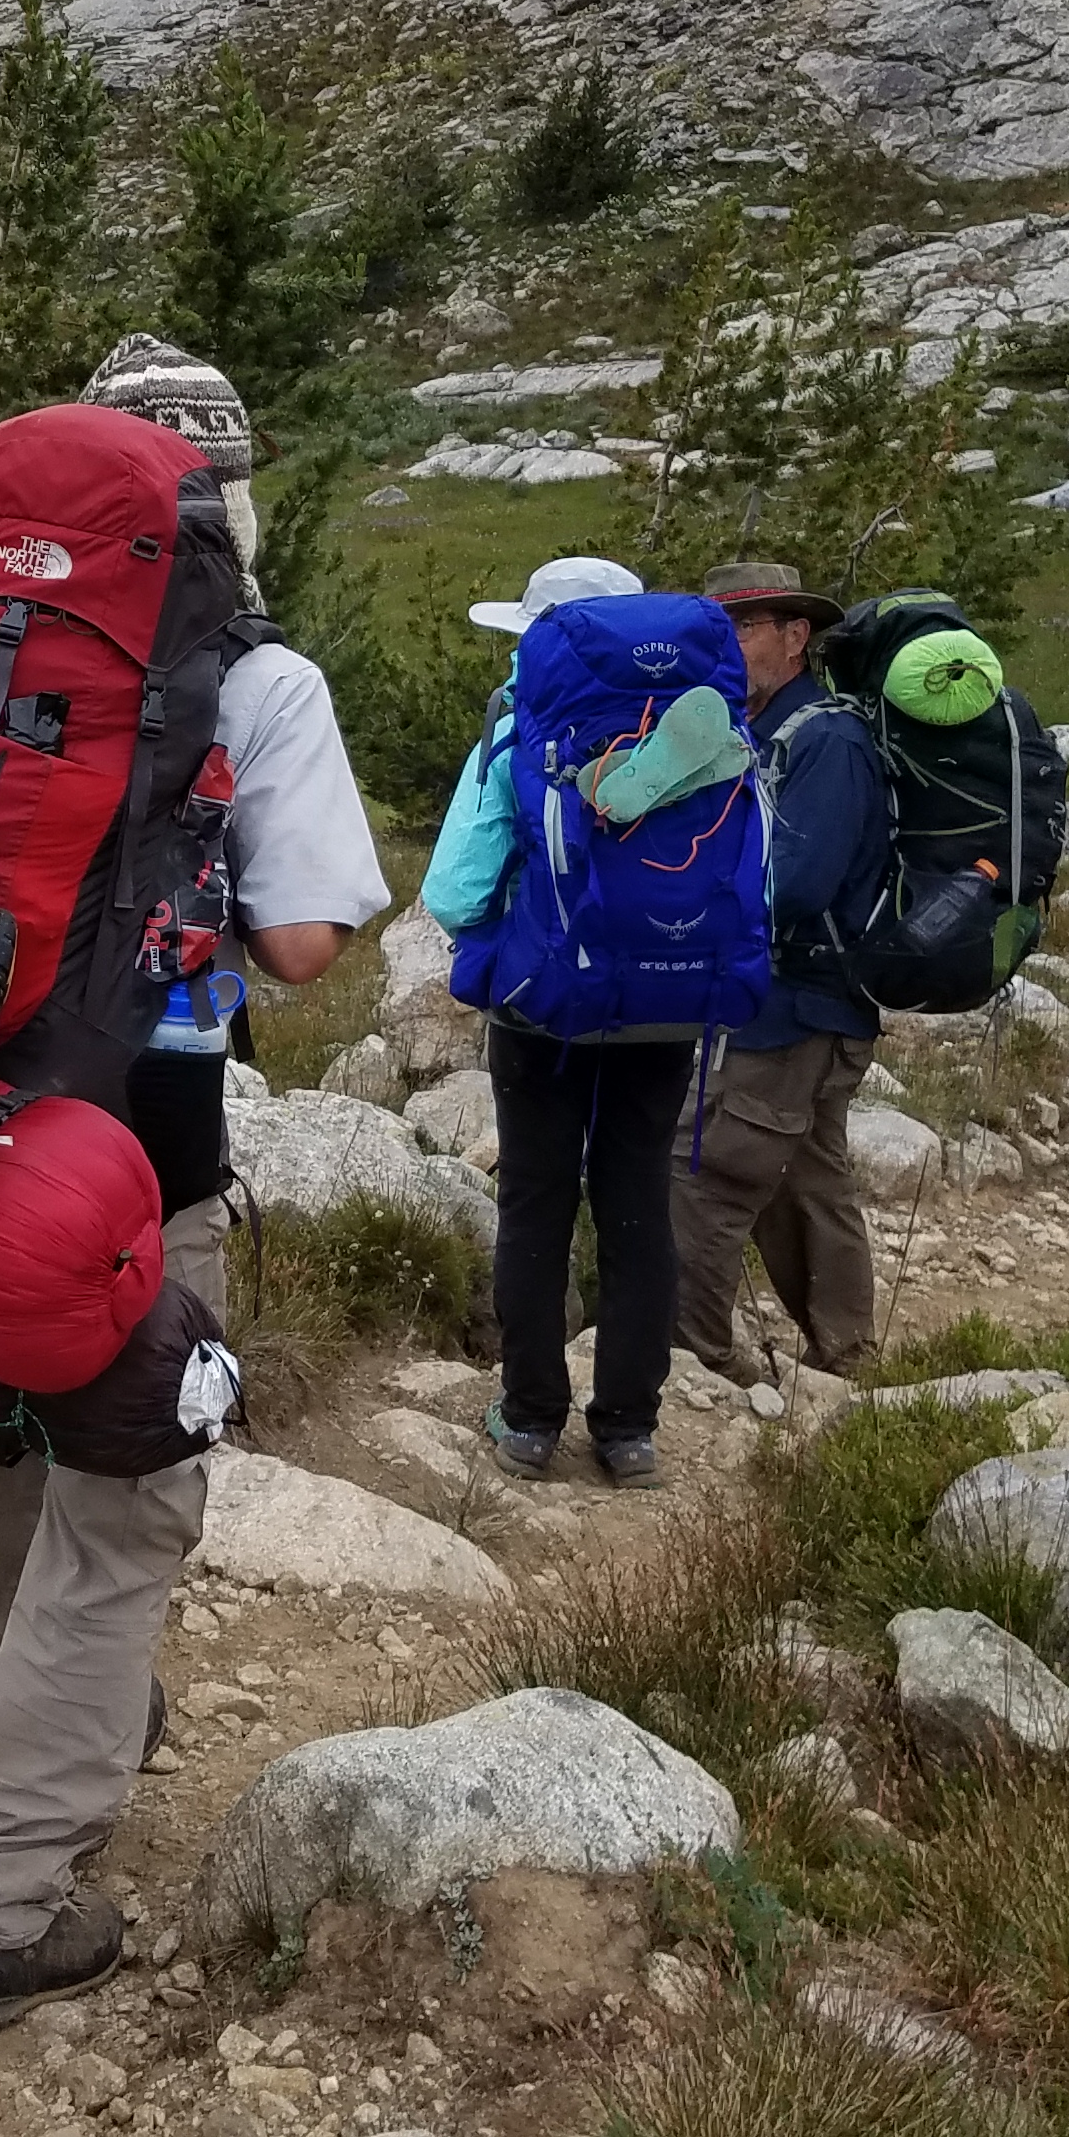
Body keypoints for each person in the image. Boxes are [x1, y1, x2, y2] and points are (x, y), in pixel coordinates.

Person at [0, 337, 389, 2030]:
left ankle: (51, 1718)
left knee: (14, 1448)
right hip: (137, 1157)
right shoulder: (258, 684)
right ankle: (4, 1899)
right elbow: (303, 941)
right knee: (127, 1513)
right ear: (226, 498)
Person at [417, 553, 704, 1491]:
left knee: (536, 1198)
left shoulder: (519, 730)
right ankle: (630, 1430)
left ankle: (532, 1419)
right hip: (666, 1004)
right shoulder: (703, 729)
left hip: (544, 1008)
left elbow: (454, 893)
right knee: (637, 1205)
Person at [670, 560, 893, 1378]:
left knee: (701, 1175)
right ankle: (850, 1358)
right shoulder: (759, 733)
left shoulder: (825, 740)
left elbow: (792, 884)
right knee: (806, 1182)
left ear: (796, 637)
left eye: (744, 627)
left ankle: (691, 1363)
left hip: (791, 1008)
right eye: (715, 630)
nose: (725, 648)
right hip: (793, 1006)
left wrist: (683, 889)